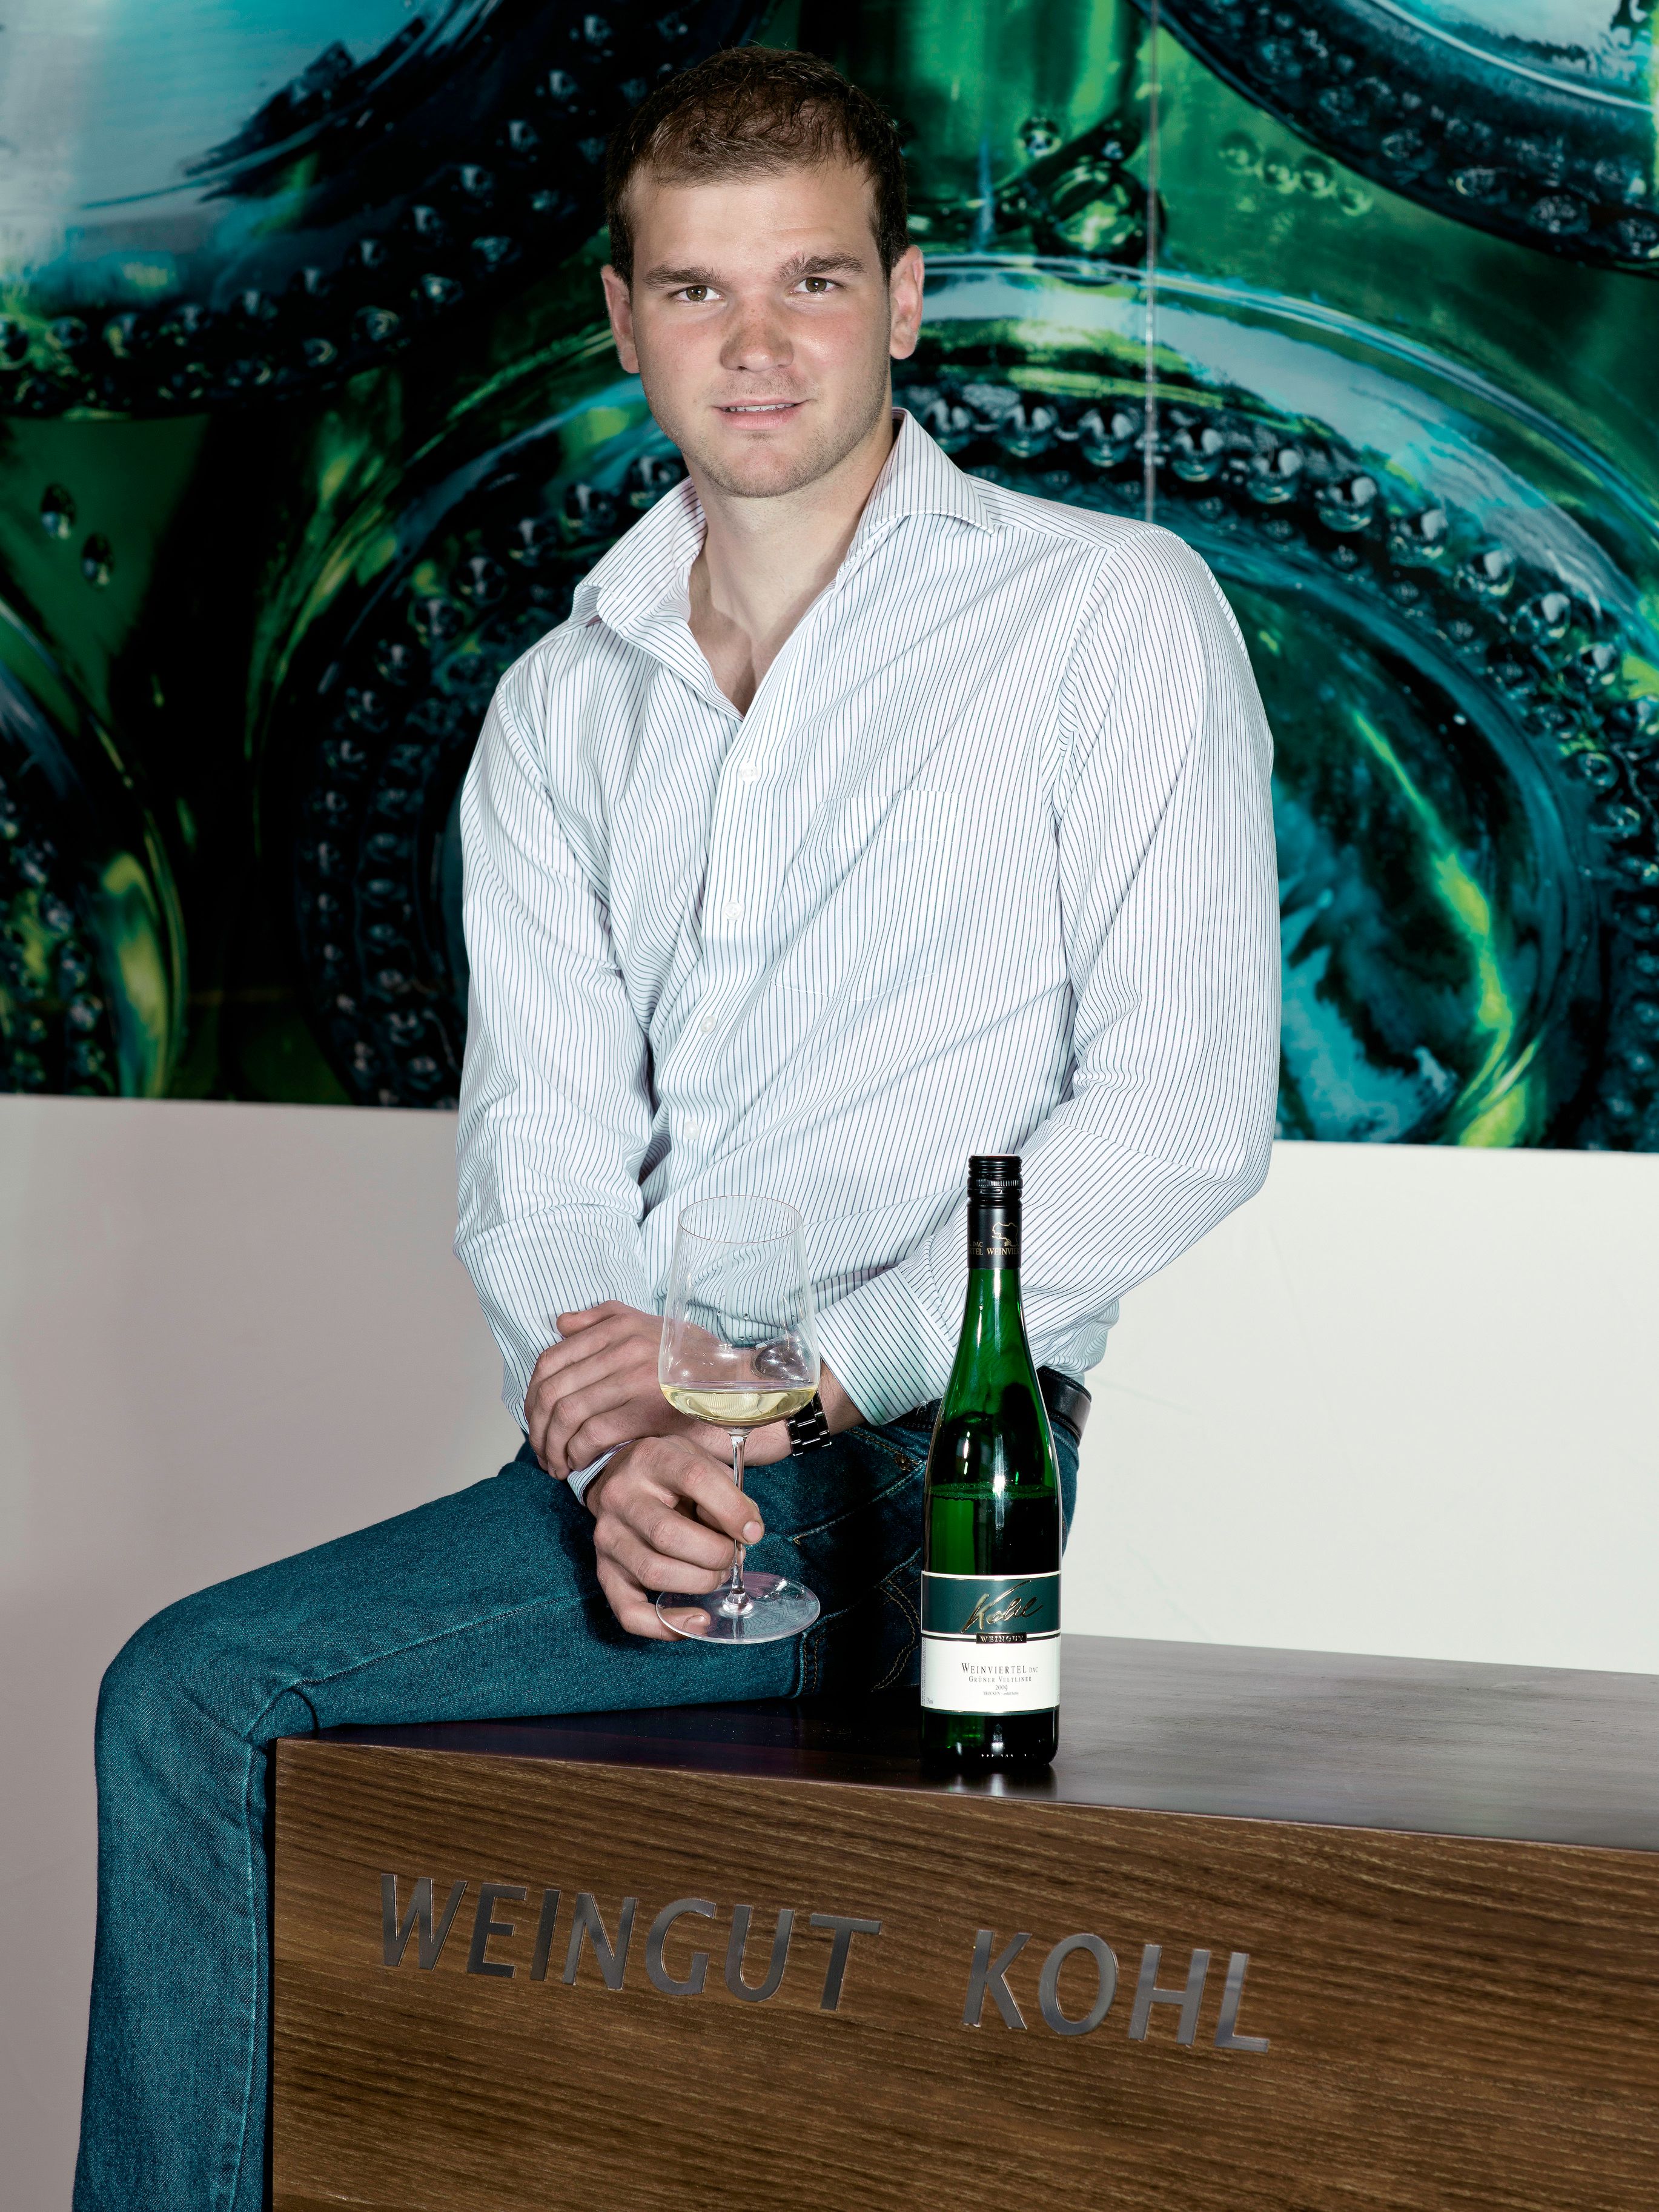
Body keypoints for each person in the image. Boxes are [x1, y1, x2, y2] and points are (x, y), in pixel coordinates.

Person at [73, 45, 1279, 2212]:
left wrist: (779, 1384)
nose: (759, 344)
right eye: (701, 291)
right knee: (309, 1806)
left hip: (919, 1469)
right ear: (622, 321)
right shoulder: (560, 701)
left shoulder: (1104, 611)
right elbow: (537, 1159)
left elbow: (1181, 1117)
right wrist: (619, 1441)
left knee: (194, 1694)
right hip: (637, 1460)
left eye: (811, 281)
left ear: (903, 298)